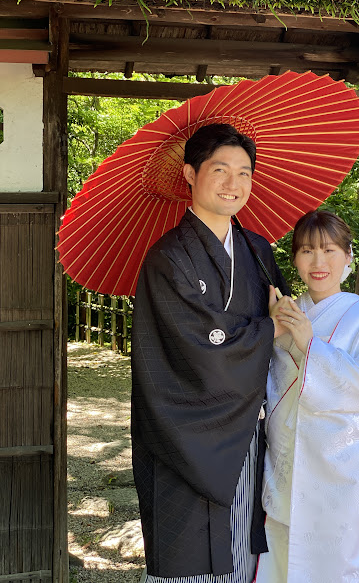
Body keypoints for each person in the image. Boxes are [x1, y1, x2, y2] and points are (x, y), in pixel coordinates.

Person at [131, 123, 288, 583]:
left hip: (246, 427)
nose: (232, 183)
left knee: (240, 544)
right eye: (219, 169)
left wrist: (281, 322)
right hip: (184, 429)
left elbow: (278, 331)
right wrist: (266, 331)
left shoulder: (257, 251)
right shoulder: (168, 258)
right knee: (187, 557)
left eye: (244, 172)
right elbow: (193, 346)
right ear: (189, 174)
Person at [256, 210, 359, 583]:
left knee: (340, 562)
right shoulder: (286, 314)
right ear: (294, 259)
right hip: (289, 459)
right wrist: (274, 329)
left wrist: (311, 345)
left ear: (348, 256)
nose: (319, 262)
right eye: (307, 251)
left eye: (329, 250)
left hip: (345, 469)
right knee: (287, 552)